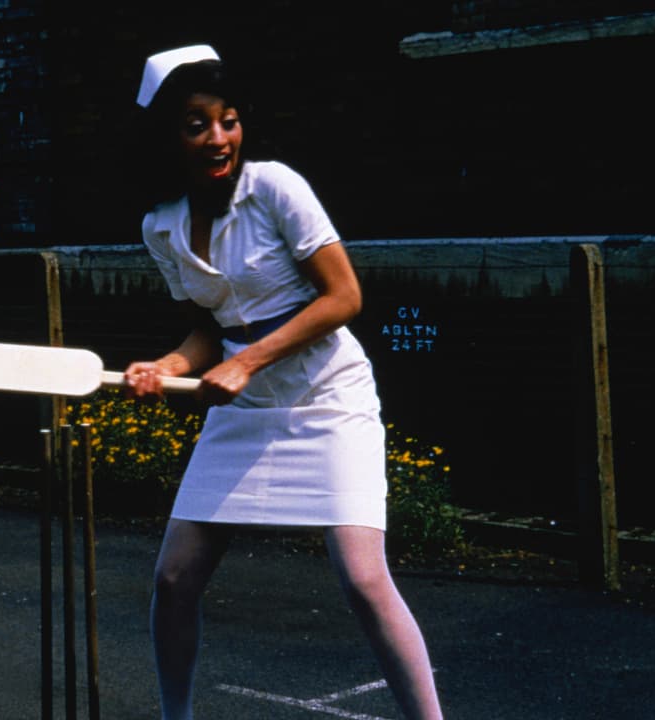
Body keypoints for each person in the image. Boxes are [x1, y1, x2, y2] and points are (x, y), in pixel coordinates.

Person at [122, 45, 444, 720]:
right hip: (244, 410)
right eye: (197, 125)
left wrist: (247, 362)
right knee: (174, 578)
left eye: (229, 120)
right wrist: (167, 367)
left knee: (363, 578)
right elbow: (208, 329)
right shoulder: (161, 225)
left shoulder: (274, 187)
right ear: (168, 137)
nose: (219, 138)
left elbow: (344, 297)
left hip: (328, 394)